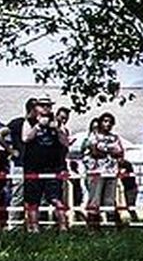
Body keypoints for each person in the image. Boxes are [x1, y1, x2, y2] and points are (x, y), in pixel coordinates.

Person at [19, 97, 70, 230]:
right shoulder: (29, 122)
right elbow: (25, 138)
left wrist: (58, 129)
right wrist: (38, 126)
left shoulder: (57, 122)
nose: (46, 108)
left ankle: (63, 228)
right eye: (42, 105)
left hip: (52, 167)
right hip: (33, 167)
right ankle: (34, 230)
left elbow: (66, 143)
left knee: (56, 199)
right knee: (32, 201)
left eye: (48, 105)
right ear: (36, 107)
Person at [79, 113, 126, 227]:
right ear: (100, 122)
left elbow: (120, 152)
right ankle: (93, 225)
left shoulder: (115, 137)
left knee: (109, 199)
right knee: (95, 198)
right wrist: (110, 151)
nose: (107, 124)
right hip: (96, 171)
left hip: (111, 171)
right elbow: (95, 152)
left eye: (110, 122)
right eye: (105, 121)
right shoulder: (93, 136)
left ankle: (112, 225)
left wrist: (108, 152)